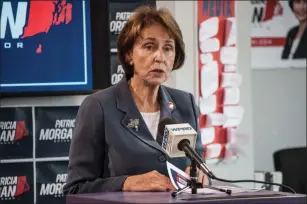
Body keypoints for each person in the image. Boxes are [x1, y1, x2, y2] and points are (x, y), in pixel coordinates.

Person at [63, 6, 208, 194]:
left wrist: (200, 174)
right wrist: (126, 183)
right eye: (149, 46)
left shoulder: (185, 103)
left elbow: (198, 165)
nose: (159, 57)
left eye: (168, 48)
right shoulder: (99, 106)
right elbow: (75, 189)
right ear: (129, 54)